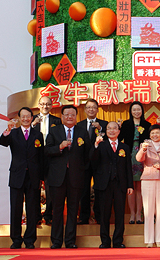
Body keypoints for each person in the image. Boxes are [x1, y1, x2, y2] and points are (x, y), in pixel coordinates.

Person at [45, 105, 91, 249]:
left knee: (73, 210)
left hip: (76, 177)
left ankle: (70, 241)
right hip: (57, 177)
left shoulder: (82, 132)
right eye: (67, 114)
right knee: (57, 210)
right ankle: (56, 241)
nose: (70, 117)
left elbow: (88, 154)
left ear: (76, 116)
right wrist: (59, 147)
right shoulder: (53, 131)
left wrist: (82, 169)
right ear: (62, 116)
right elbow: (47, 150)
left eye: (72, 114)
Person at [0, 107, 44, 249]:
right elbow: (2, 142)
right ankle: (16, 239)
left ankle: (30, 239)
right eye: (23, 116)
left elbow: (41, 156)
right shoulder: (13, 133)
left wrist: (41, 177)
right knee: (16, 208)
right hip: (17, 175)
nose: (26, 119)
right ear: (19, 118)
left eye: (28, 116)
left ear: (32, 118)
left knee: (32, 209)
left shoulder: (38, 135)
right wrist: (7, 130)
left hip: (33, 176)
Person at [91, 121, 133, 248]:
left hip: (120, 184)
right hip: (104, 184)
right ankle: (105, 241)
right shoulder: (100, 145)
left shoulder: (124, 147)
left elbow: (128, 168)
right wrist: (96, 146)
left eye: (115, 128)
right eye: (109, 128)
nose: (112, 131)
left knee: (120, 214)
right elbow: (92, 161)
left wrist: (130, 185)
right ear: (105, 131)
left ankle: (118, 241)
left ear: (119, 132)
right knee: (104, 214)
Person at [136, 124, 160, 248]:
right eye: (152, 133)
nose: (155, 135)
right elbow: (138, 159)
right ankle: (148, 240)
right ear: (149, 135)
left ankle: (159, 239)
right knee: (148, 210)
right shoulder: (145, 146)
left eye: (157, 133)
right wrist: (143, 149)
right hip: (148, 179)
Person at [119, 101, 151, 224]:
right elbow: (119, 138)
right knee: (130, 186)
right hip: (128, 156)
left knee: (140, 187)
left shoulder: (147, 124)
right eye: (134, 110)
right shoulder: (126, 124)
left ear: (142, 111)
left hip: (143, 157)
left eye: (138, 109)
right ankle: (132, 214)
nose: (136, 112)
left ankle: (139, 214)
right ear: (130, 111)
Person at [77, 98, 108, 225]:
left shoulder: (104, 124)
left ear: (97, 109)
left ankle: (99, 216)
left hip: (100, 162)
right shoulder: (79, 125)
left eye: (94, 107)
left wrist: (100, 129)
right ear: (84, 110)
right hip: (83, 162)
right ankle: (84, 216)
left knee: (100, 190)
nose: (91, 109)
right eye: (89, 107)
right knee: (83, 190)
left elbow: (108, 141)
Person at [31, 96, 61, 225]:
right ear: (38, 105)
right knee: (34, 187)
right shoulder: (31, 120)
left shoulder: (57, 121)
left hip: (51, 158)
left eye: (48, 104)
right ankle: (36, 215)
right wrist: (33, 125)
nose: (45, 106)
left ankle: (48, 214)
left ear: (51, 106)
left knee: (50, 188)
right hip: (34, 158)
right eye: (42, 104)